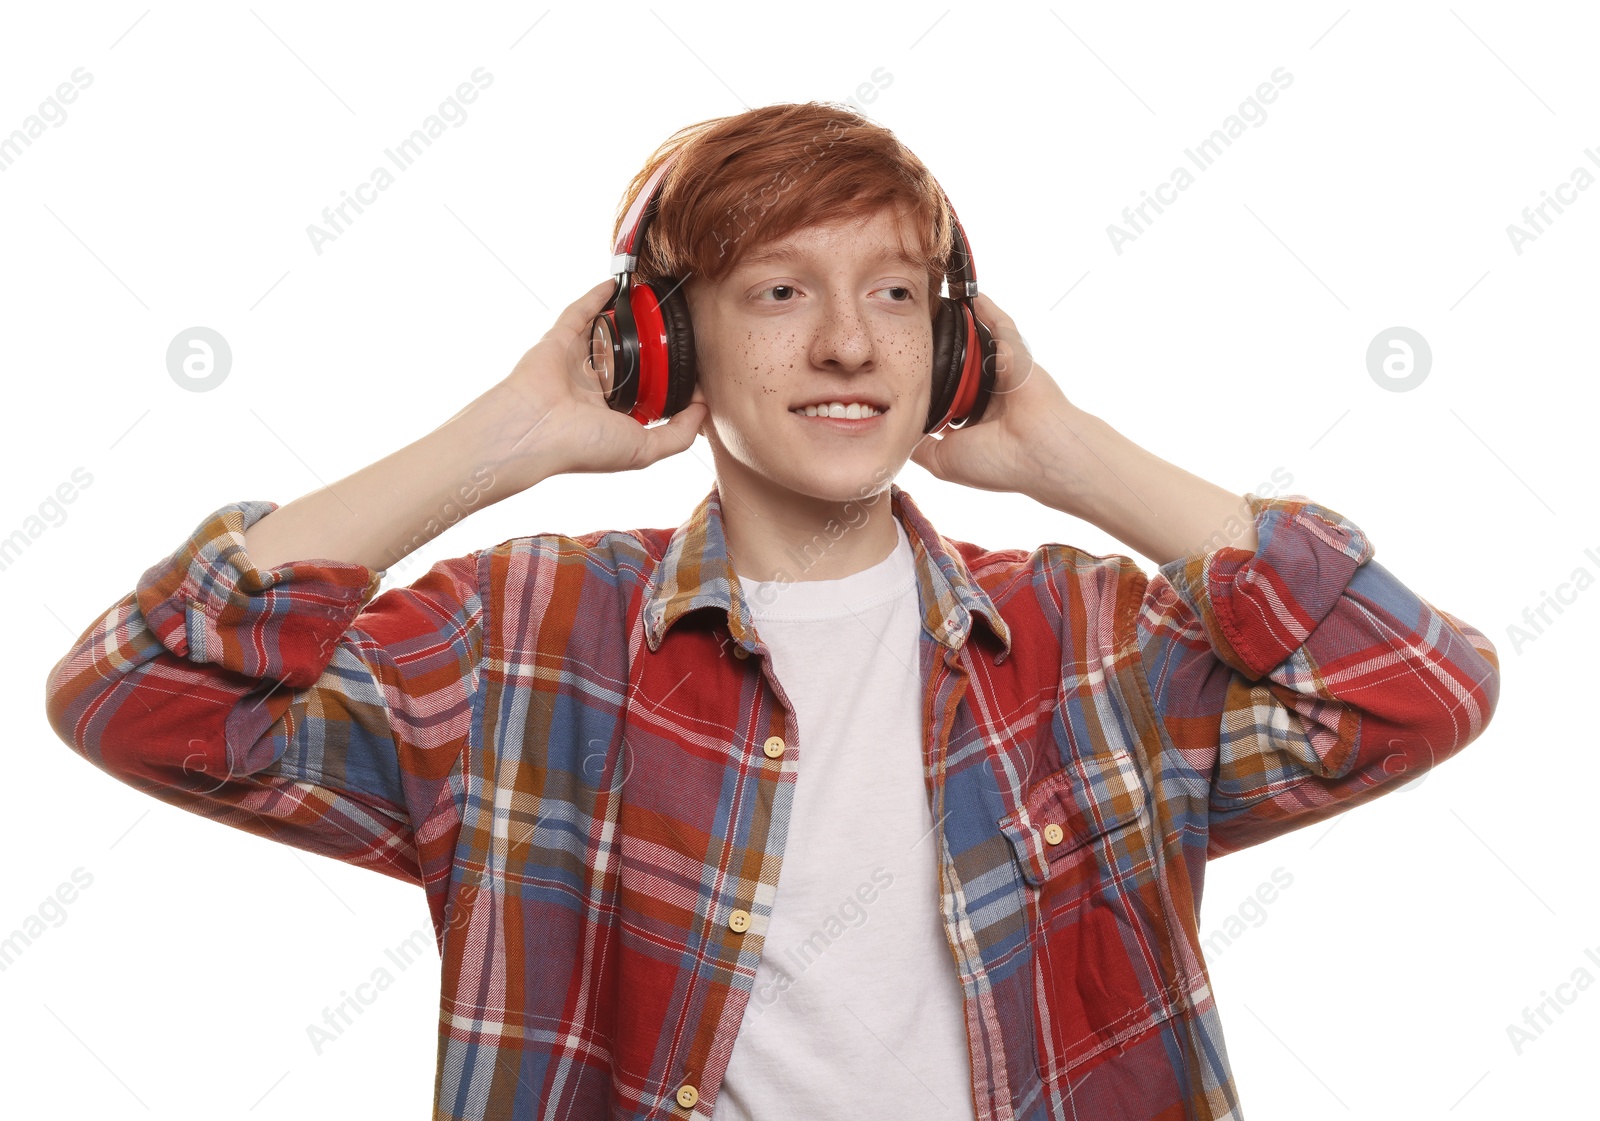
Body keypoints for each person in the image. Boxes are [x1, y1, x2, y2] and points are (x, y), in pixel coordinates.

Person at [44, 101, 1501, 1121]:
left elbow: (1413, 684)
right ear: (664, 343)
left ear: (954, 346)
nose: (852, 341)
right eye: (779, 292)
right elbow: (144, 691)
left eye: (896, 293)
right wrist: (502, 436)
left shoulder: (1088, 641)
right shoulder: (528, 637)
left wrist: (1065, 452)